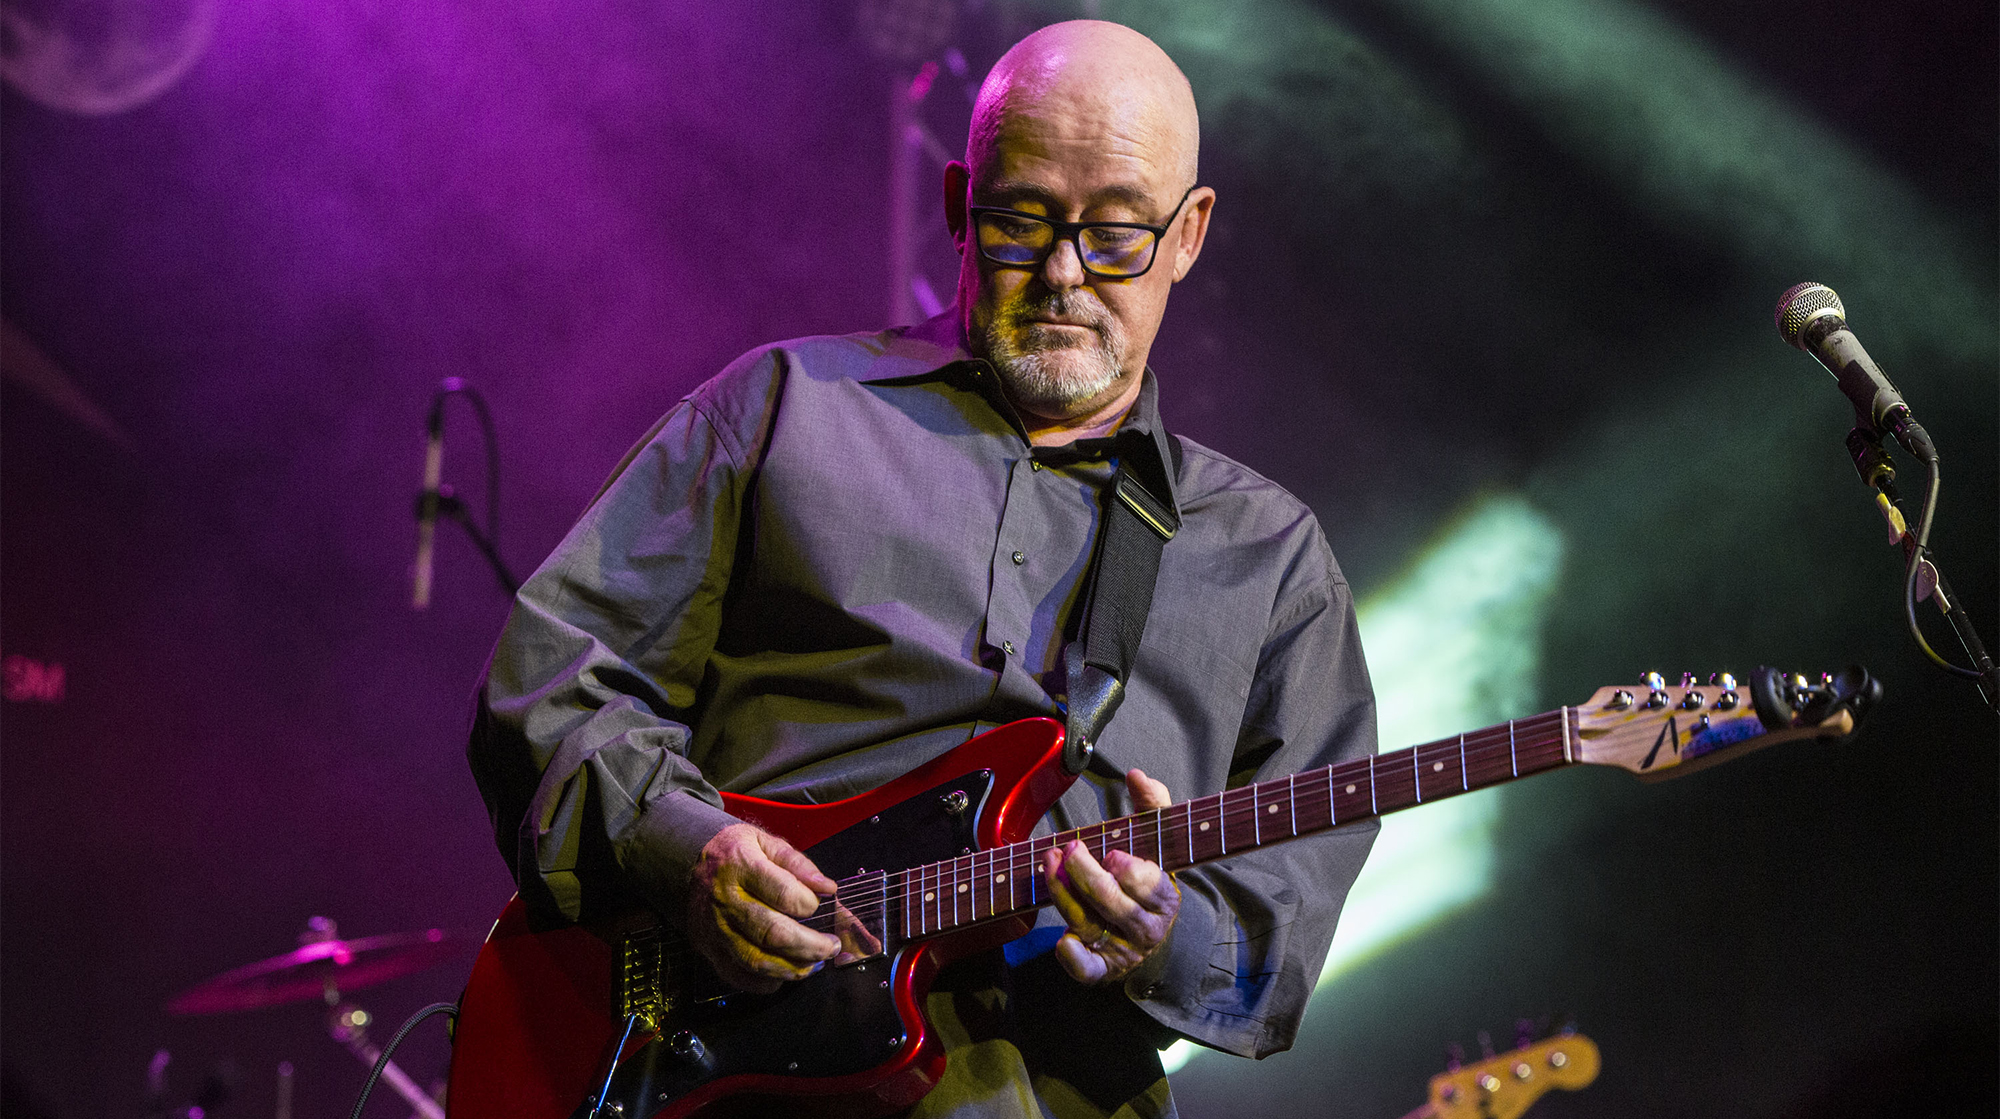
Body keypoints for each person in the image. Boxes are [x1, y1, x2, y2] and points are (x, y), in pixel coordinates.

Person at [469, 19, 1378, 1119]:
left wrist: (1163, 935)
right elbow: (549, 682)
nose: (1060, 273)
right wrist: (690, 850)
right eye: (1018, 219)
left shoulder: (1271, 562)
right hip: (717, 1089)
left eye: (1117, 234)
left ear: (1187, 236)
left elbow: (1278, 943)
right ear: (957, 204)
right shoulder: (778, 413)